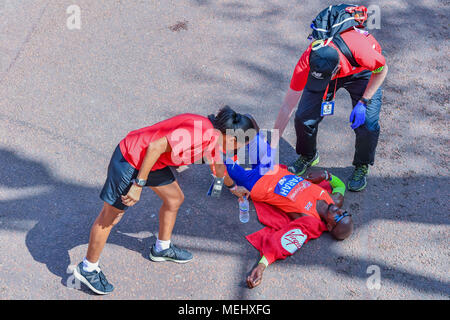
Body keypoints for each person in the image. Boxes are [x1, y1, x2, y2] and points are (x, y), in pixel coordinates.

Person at [73, 106, 255, 294]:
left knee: (174, 199)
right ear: (233, 139)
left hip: (153, 162)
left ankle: (161, 248)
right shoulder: (199, 133)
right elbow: (155, 146)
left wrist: (233, 188)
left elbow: (218, 168)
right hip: (132, 159)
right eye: (240, 146)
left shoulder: (214, 137)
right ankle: (87, 269)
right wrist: (138, 185)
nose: (238, 150)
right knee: (110, 217)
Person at [273, 5, 388, 192]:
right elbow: (288, 105)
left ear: (335, 69)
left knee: (368, 123)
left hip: (363, 72)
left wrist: (364, 101)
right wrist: (272, 143)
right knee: (303, 117)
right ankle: (308, 154)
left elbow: (382, 71)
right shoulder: (308, 59)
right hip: (331, 70)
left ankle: (362, 165)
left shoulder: (362, 51)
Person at [221, 143, 352, 289]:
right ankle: (225, 134)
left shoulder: (311, 222)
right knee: (250, 130)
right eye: (345, 213)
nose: (341, 212)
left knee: (218, 158)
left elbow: (284, 243)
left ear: (329, 226)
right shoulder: (334, 200)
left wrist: (261, 266)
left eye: (339, 217)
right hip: (272, 168)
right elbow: (341, 186)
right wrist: (326, 175)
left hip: (256, 183)